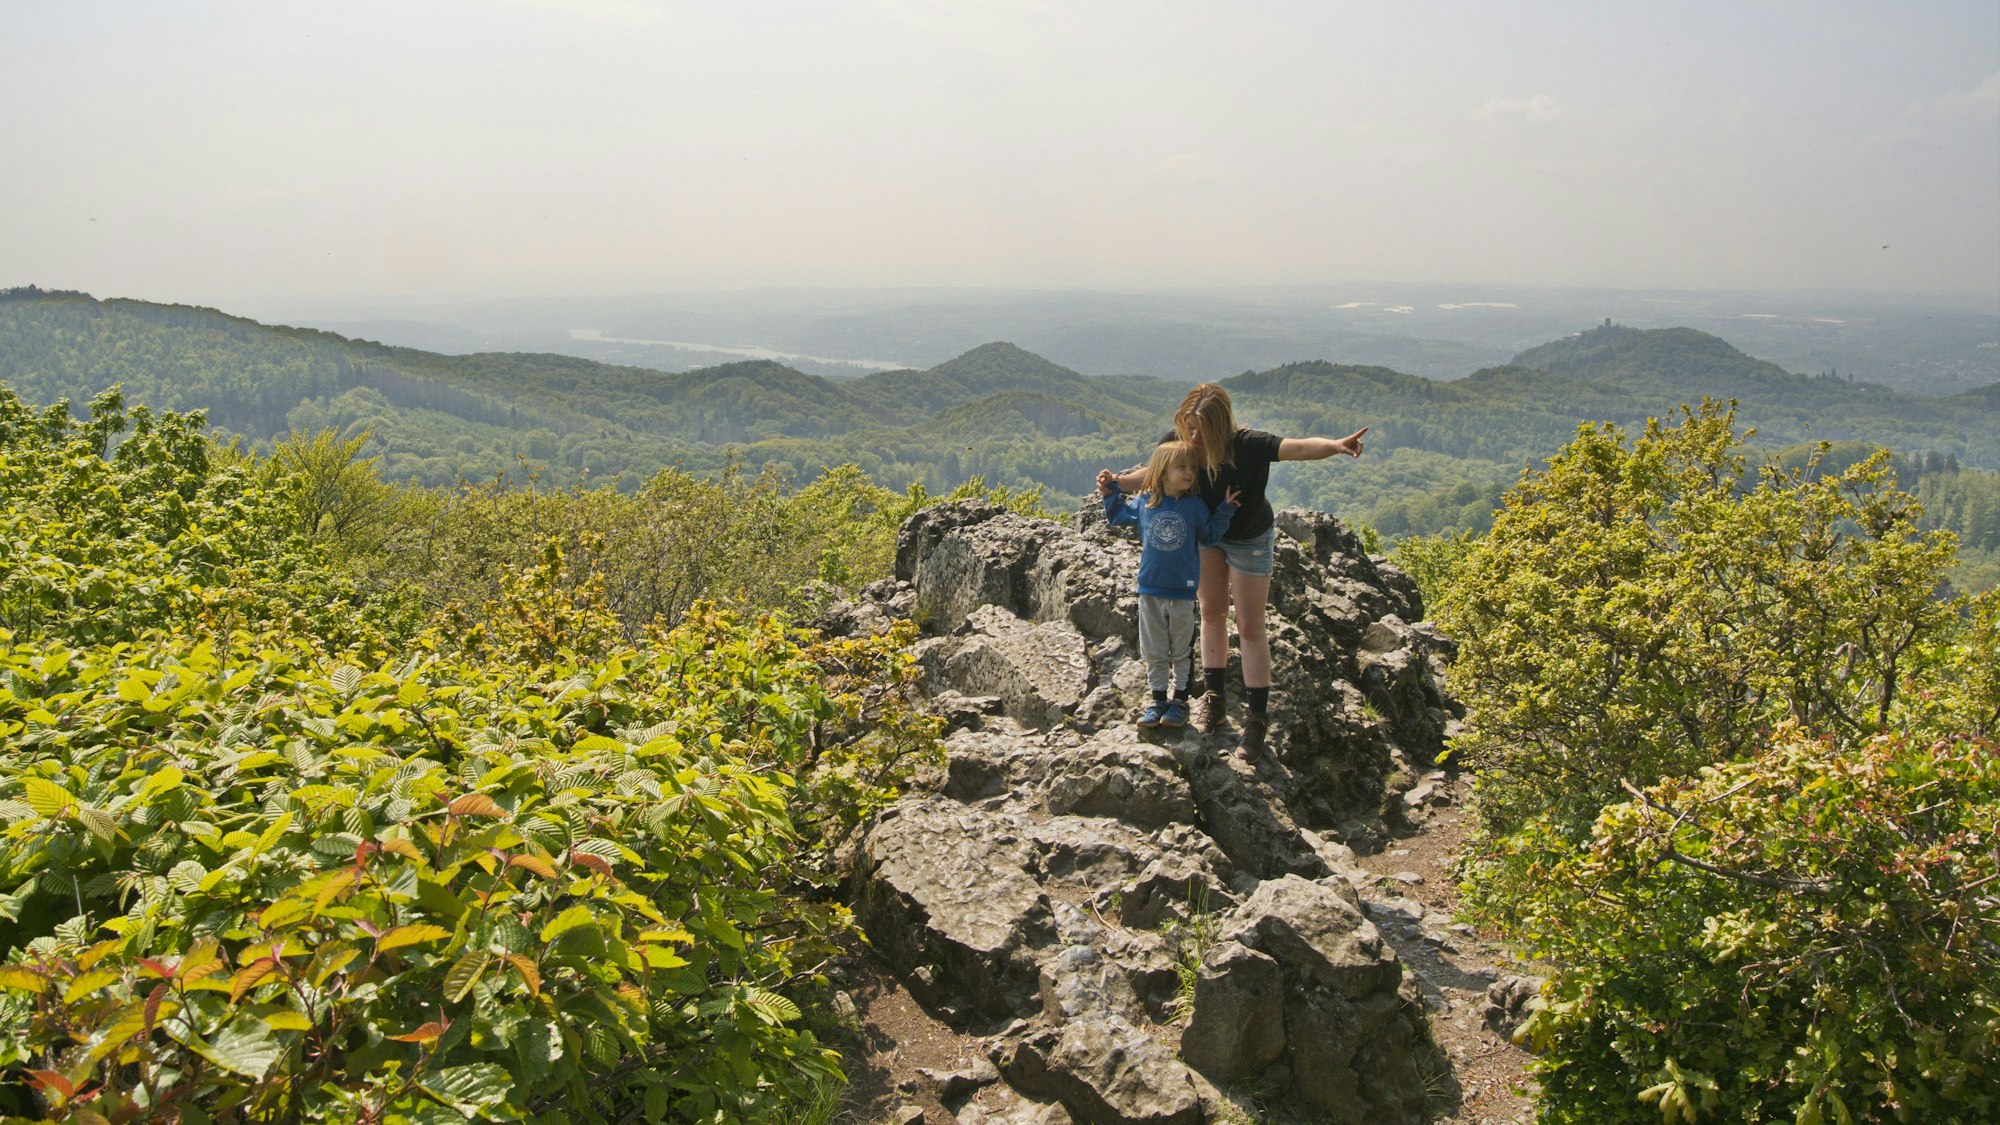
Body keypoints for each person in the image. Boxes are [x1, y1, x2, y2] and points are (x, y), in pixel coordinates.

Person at [1097, 383, 1365, 755]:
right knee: (1211, 613)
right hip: (1208, 536)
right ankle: (1214, 700)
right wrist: (1117, 485)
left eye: (1199, 429)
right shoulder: (1180, 442)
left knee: (1251, 628)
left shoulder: (1248, 444)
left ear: (1220, 424)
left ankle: (1255, 721)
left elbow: (1296, 447)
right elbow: (1156, 471)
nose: (1191, 437)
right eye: (1187, 426)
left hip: (1249, 539)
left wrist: (1336, 446)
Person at [1100, 440, 1240, 730]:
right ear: (1163, 472)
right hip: (1150, 589)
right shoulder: (1146, 502)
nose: (1190, 473)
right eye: (1182, 467)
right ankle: (1158, 700)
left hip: (1183, 590)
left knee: (1180, 650)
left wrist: (1225, 510)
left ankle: (1180, 701)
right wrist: (1110, 491)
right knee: (1154, 650)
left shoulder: (1195, 506)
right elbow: (1117, 516)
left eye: (1192, 467)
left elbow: (1210, 537)